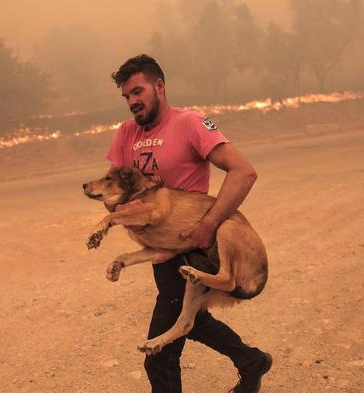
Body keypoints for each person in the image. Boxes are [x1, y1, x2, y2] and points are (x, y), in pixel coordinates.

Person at [106, 54, 272, 393]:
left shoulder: (193, 123)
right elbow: (114, 189)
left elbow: (244, 172)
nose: (132, 102)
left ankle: (252, 361)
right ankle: (252, 362)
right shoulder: (125, 133)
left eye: (137, 92)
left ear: (160, 86)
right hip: (157, 250)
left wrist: (210, 224)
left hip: (190, 247)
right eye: (126, 96)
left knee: (159, 357)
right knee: (192, 321)